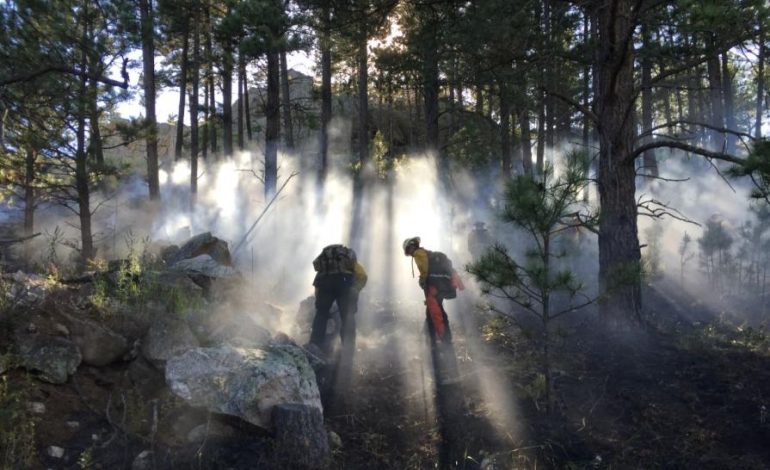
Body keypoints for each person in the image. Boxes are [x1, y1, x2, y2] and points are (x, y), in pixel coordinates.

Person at [309, 244, 367, 354]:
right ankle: (348, 346)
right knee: (347, 316)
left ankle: (315, 344)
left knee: (321, 315)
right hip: (343, 283)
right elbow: (362, 275)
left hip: (323, 283)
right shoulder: (348, 261)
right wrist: (355, 289)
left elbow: (317, 285)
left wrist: (321, 303)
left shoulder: (325, 266)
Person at [402, 236, 454, 344]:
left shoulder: (418, 253)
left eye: (408, 249)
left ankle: (441, 338)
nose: (409, 252)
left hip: (433, 286)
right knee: (435, 309)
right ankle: (431, 334)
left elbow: (425, 268)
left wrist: (423, 280)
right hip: (440, 285)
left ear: (412, 246)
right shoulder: (426, 253)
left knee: (436, 310)